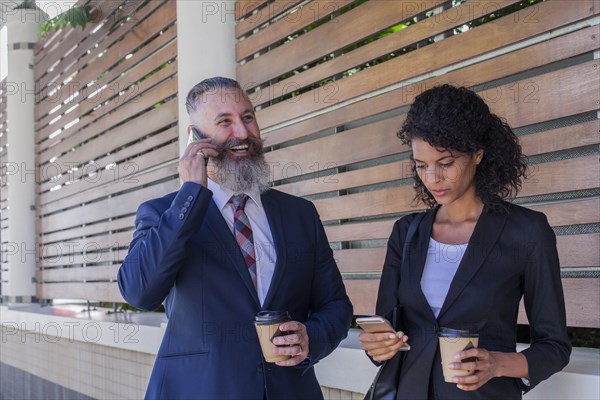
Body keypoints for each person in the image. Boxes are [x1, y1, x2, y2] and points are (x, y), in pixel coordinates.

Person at [118, 77, 353, 399]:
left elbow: (335, 305)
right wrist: (190, 194)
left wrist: (313, 336)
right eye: (224, 122)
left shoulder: (300, 214)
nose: (242, 133)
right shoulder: (165, 213)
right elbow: (138, 292)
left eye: (247, 117)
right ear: (196, 137)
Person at [358, 84, 571, 399]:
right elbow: (386, 333)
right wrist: (378, 346)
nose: (432, 178)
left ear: (478, 154)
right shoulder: (406, 233)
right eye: (421, 166)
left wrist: (497, 363)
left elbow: (554, 347)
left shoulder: (527, 231)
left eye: (445, 163)